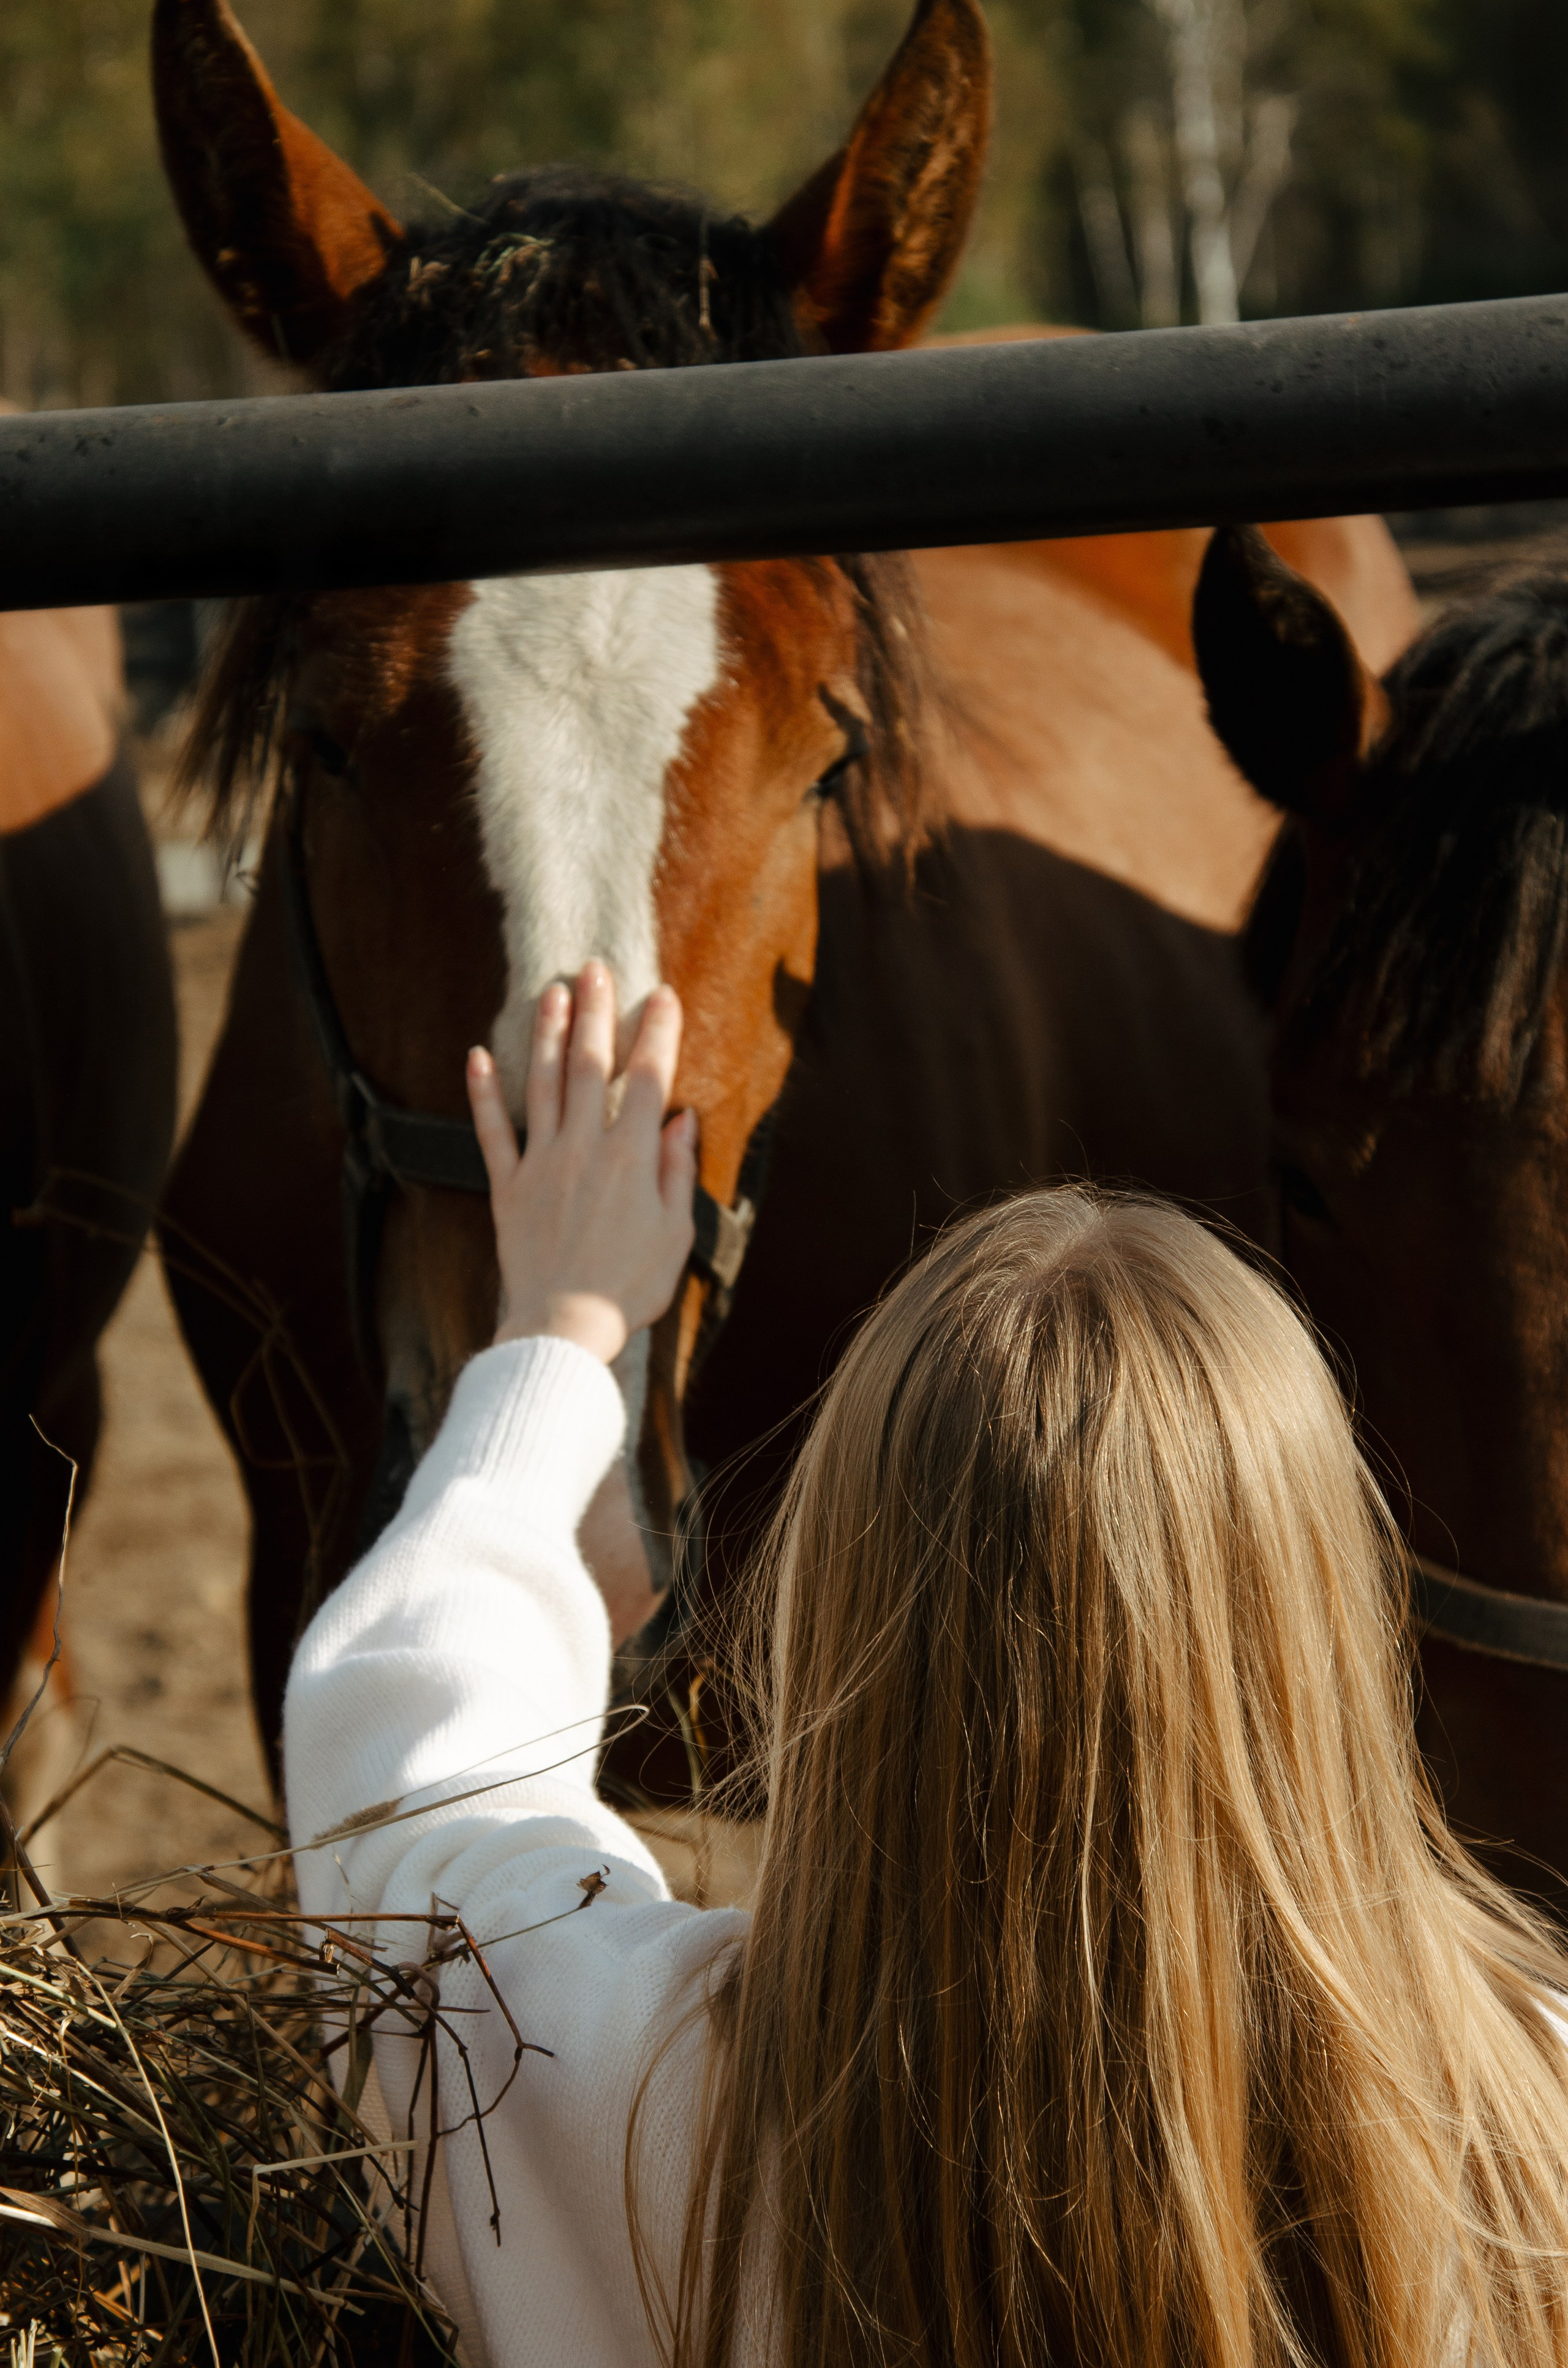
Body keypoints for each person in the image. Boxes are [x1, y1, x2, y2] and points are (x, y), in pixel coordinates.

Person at [284, 960, 1568, 2368]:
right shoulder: (1524, 2122)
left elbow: (400, 1779)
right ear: (1322, 1620)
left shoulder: (624, 2093)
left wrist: (558, 1340)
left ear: (836, 1615)